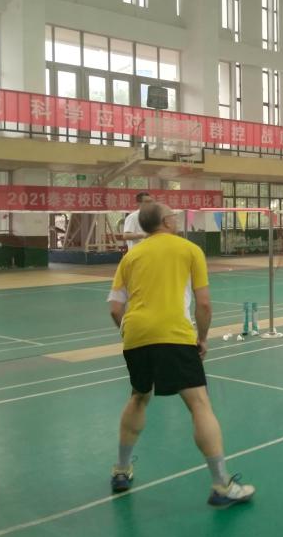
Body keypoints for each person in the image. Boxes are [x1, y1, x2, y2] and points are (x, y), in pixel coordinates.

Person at [107, 202, 255, 508]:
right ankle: (222, 485)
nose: (176, 219)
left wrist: (130, 333)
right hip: (174, 334)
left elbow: (115, 307)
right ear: (166, 221)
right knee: (199, 403)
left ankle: (121, 470)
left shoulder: (130, 257)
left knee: (138, 397)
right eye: (173, 216)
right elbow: (204, 305)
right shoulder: (189, 250)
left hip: (135, 335)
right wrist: (202, 338)